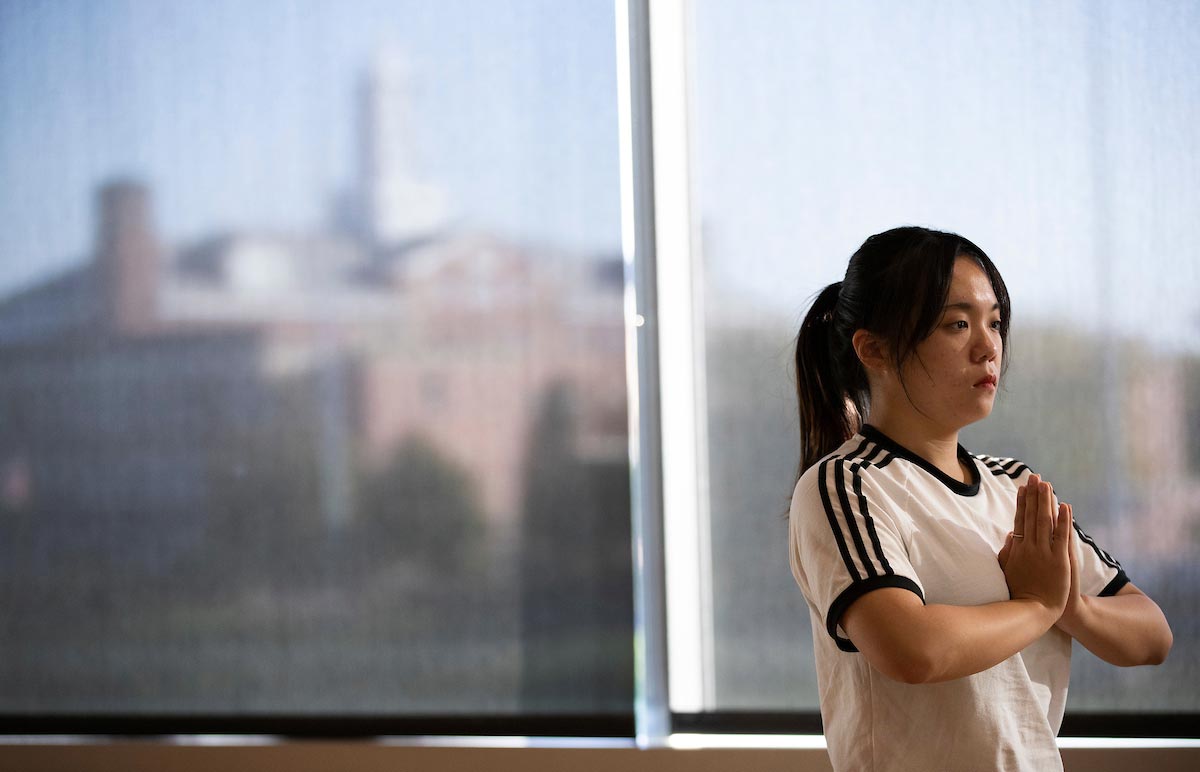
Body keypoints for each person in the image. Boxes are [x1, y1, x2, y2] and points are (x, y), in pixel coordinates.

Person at [787, 226, 1173, 772]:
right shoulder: (844, 485)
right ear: (873, 349)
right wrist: (1037, 606)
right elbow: (912, 650)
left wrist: (1071, 606)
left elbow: (1151, 635)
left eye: (994, 323)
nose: (988, 346)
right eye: (957, 324)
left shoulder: (1016, 485)